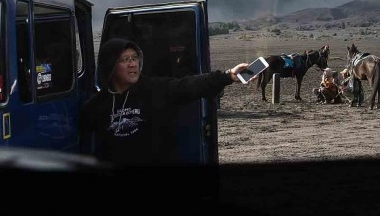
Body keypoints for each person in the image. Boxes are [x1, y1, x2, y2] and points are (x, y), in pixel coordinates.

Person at [80, 37, 251, 164]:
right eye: (125, 60)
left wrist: (227, 76)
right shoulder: (96, 106)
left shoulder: (154, 89)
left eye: (134, 58)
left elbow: (188, 86)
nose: (132, 64)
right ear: (111, 65)